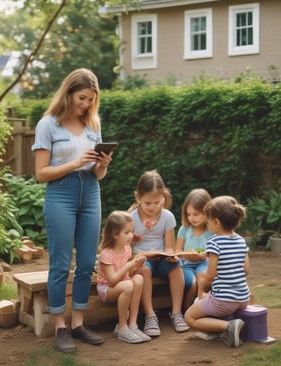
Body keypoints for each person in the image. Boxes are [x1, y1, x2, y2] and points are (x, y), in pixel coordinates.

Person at [31, 68, 112, 353]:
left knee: (87, 262)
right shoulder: (48, 125)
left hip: (91, 193)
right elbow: (41, 174)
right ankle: (60, 327)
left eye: (90, 100)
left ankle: (78, 323)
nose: (86, 105)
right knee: (61, 263)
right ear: (68, 93)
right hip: (61, 195)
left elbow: (98, 174)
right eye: (82, 98)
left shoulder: (93, 124)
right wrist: (75, 163)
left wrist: (102, 164)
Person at [184, 196, 250, 348]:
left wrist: (202, 287)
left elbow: (211, 275)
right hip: (242, 298)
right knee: (212, 301)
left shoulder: (214, 242)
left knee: (189, 317)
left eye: (207, 221)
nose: (207, 225)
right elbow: (246, 270)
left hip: (224, 301)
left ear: (216, 222)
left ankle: (228, 326)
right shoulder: (241, 240)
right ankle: (225, 325)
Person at [129, 170, 189, 336]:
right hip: (141, 259)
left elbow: (169, 246)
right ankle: (150, 316)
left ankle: (177, 313)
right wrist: (134, 239)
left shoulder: (167, 217)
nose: (152, 207)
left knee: (176, 265)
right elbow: (127, 250)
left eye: (157, 202)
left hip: (161, 259)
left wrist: (171, 254)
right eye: (148, 203)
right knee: (144, 270)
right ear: (138, 197)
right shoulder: (131, 218)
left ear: (164, 197)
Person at [97, 211, 151, 343]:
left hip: (122, 284)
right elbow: (112, 280)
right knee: (128, 285)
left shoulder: (127, 249)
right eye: (127, 232)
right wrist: (128, 266)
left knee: (138, 279)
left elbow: (128, 275)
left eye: (131, 231)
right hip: (107, 289)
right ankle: (122, 327)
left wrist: (136, 266)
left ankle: (132, 325)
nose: (131, 235)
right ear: (115, 234)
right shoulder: (106, 254)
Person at [176, 188, 213, 310]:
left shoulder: (211, 230)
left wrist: (205, 254)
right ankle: (186, 310)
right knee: (192, 284)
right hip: (187, 264)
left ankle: (200, 307)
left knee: (202, 280)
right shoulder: (184, 229)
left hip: (204, 263)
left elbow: (215, 251)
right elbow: (178, 252)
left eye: (195, 214)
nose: (191, 218)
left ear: (206, 212)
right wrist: (187, 254)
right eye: (188, 214)